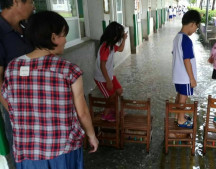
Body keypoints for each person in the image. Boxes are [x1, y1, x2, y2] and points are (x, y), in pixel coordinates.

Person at [1, 11, 99, 168]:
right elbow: (82, 113)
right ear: (53, 38)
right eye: (63, 35)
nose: (66, 40)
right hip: (62, 149)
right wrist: (92, 135)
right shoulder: (68, 70)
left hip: (27, 152)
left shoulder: (12, 68)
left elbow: (9, 102)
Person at [0, 0, 35, 166]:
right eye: (31, 1)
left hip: (38, 102)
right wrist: (14, 111)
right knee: (23, 155)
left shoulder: (26, 28)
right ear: (15, 1)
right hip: (17, 108)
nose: (34, 5)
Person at [172, 10, 201, 129]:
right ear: (193, 24)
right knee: (183, 98)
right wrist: (192, 78)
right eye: (196, 28)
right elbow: (187, 60)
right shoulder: (186, 40)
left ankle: (178, 115)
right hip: (185, 77)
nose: (195, 31)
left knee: (179, 96)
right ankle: (181, 120)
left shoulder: (177, 37)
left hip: (177, 75)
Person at [94, 21, 127, 122]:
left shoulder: (111, 45)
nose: (119, 39)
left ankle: (112, 109)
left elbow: (121, 49)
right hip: (101, 78)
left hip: (109, 75)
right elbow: (102, 65)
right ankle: (106, 114)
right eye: (119, 37)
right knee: (111, 96)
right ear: (114, 36)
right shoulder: (105, 47)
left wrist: (124, 39)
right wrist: (108, 81)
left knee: (119, 91)